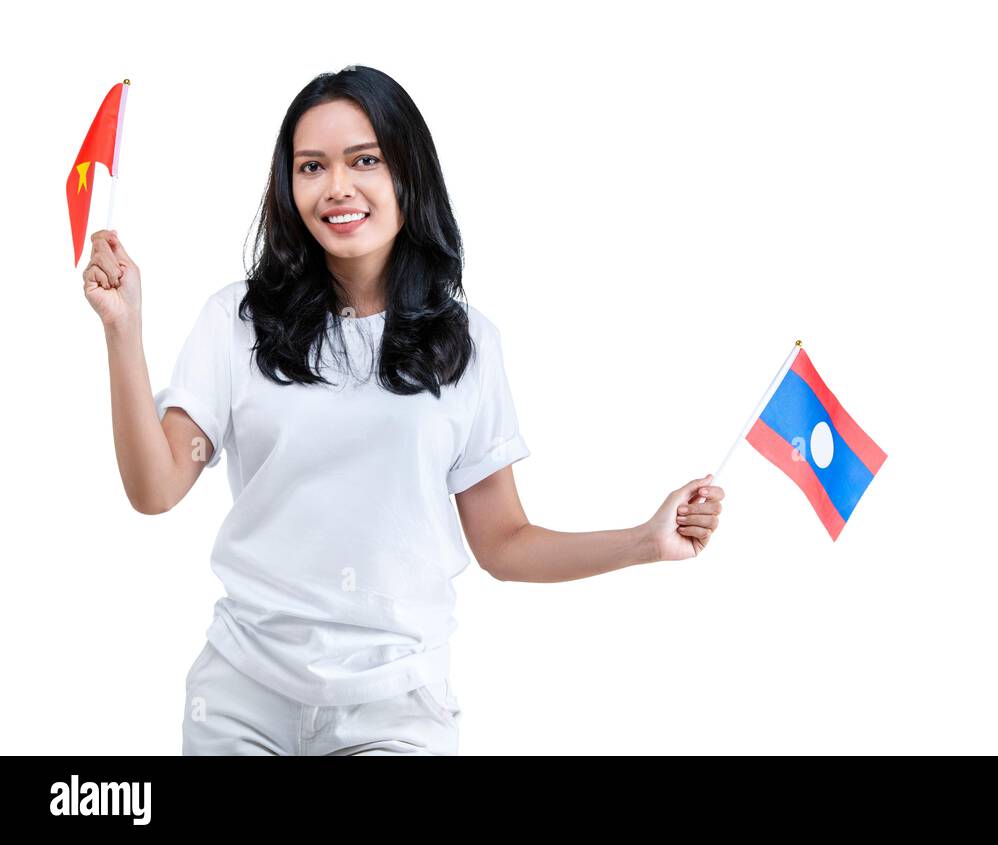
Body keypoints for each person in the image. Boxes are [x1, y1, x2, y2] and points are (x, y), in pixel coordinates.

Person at [82, 64, 726, 755]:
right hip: (241, 697)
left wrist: (644, 540)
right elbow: (156, 487)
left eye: (366, 160)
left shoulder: (467, 344)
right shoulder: (236, 321)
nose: (337, 187)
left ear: (408, 175)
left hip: (394, 708)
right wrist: (123, 331)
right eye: (311, 166)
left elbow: (504, 542)